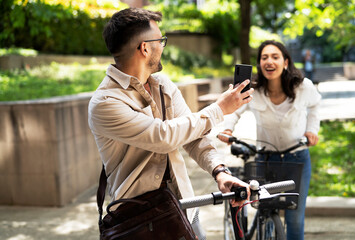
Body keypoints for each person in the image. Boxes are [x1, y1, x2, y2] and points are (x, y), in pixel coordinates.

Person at [88, 8, 253, 239]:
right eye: (161, 40)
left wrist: (220, 172)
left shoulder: (163, 85)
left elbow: (193, 136)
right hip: (138, 216)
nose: (163, 46)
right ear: (145, 48)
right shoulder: (105, 102)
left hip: (184, 204)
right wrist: (219, 109)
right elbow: (163, 137)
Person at [218, 40, 321, 240]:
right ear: (259, 64)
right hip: (265, 159)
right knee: (263, 209)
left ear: (286, 62)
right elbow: (234, 109)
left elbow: (316, 105)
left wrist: (311, 130)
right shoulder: (253, 89)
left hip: (297, 158)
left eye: (275, 57)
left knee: (295, 219)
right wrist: (227, 129)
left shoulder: (303, 86)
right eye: (264, 57)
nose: (269, 61)